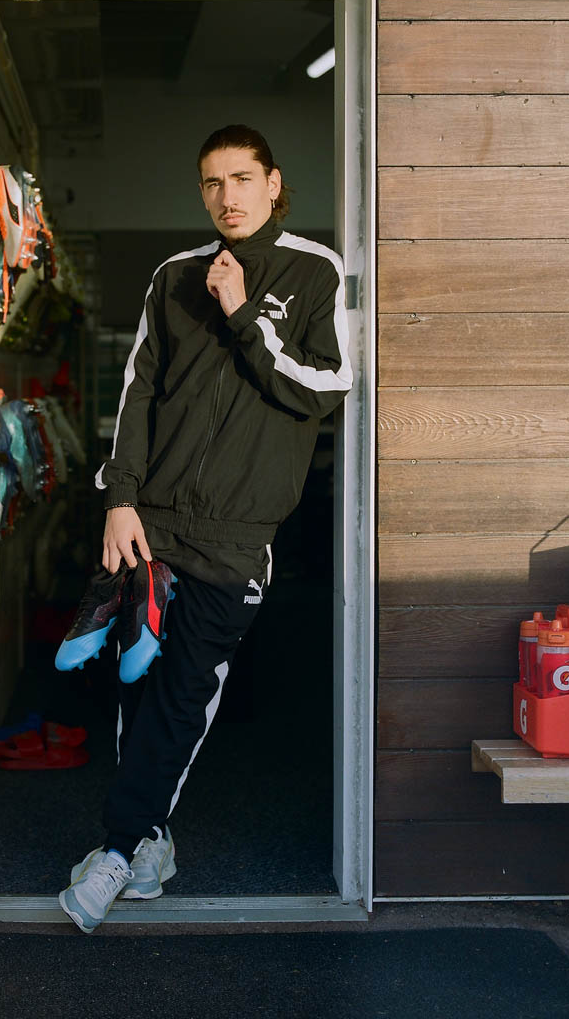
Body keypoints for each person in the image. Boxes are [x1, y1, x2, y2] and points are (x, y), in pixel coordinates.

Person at [58, 124, 352, 933]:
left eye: (243, 178)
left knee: (187, 692)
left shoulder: (314, 271)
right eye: (213, 181)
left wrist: (245, 313)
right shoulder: (173, 277)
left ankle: (124, 844)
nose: (228, 195)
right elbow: (139, 393)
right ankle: (137, 847)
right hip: (151, 521)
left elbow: (325, 388)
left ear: (273, 183)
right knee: (140, 683)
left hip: (236, 534)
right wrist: (120, 498)